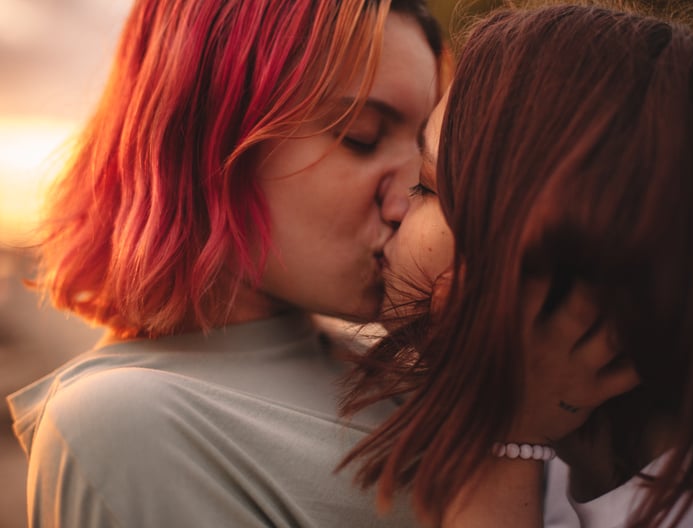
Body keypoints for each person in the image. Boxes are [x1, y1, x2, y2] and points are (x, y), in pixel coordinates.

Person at [339, 4, 693, 527]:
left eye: (425, 183)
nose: (393, 204)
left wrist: (505, 431)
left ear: (564, 239)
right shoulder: (569, 464)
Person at [7, 0, 445, 526]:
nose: (410, 197)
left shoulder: (399, 371)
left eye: (422, 151)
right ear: (211, 135)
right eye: (362, 136)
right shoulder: (131, 422)